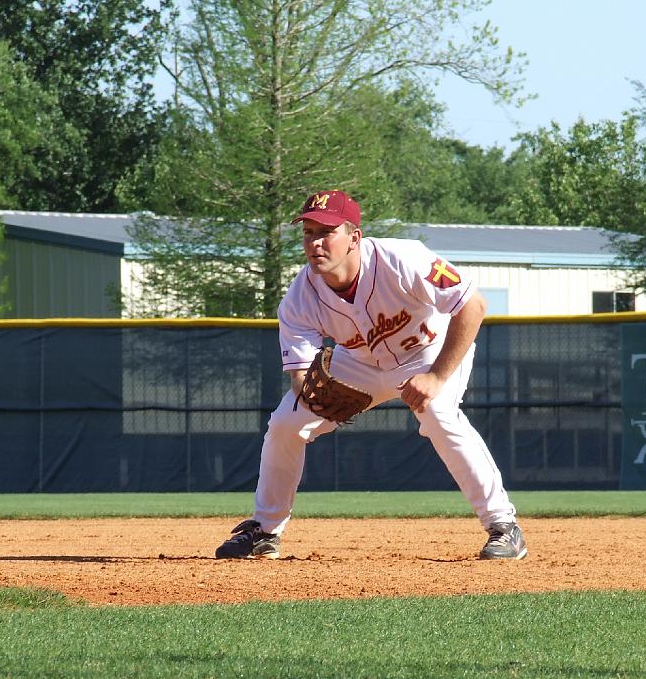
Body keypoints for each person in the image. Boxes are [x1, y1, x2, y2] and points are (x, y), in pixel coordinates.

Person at [215, 190, 526, 560]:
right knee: (286, 421)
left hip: (429, 352)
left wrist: (438, 377)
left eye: (326, 232)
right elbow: (300, 375)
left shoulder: (403, 258)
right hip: (358, 361)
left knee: (438, 414)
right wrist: (314, 400)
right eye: (308, 232)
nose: (315, 242)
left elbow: (473, 306)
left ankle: (503, 526)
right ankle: (265, 531)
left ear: (354, 237)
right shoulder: (300, 296)